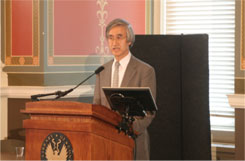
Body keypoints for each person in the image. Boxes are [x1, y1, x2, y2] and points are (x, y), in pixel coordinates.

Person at [93, 18, 156, 160]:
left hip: (133, 142)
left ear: (129, 40)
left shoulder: (144, 70)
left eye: (119, 37)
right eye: (110, 38)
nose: (114, 43)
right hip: (105, 141)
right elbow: (97, 106)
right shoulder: (102, 70)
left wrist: (130, 130)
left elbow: (149, 112)